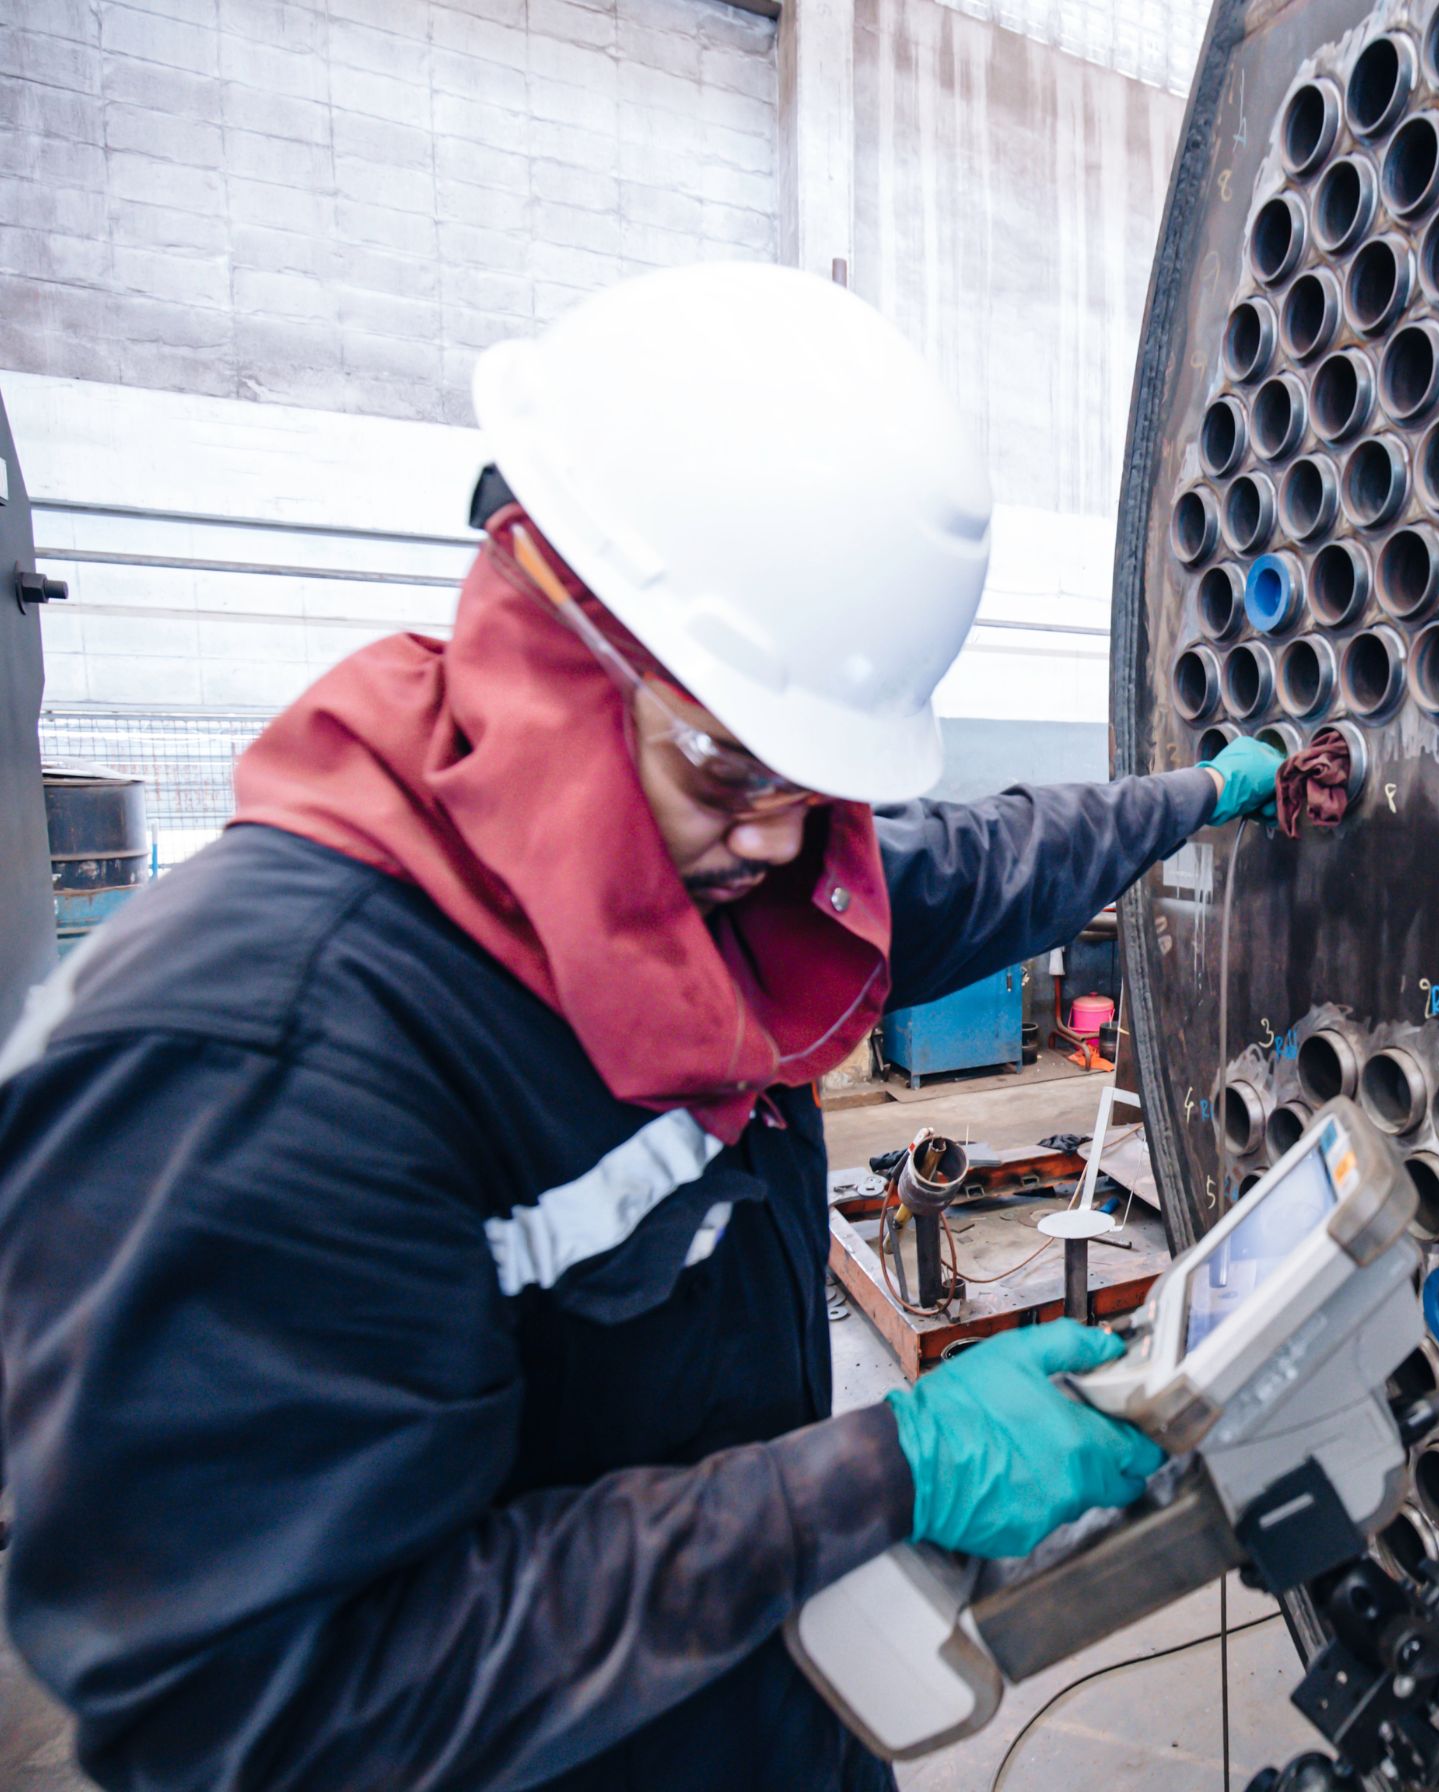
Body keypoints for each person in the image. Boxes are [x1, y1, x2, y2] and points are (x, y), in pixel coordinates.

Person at [0, 263, 1285, 1792]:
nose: (780, 841)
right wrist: (887, 1472)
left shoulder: (733, 861)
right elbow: (275, 1706)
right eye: (739, 768)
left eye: (820, 787)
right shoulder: (256, 1063)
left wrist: (1206, 793)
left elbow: (991, 857)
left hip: (759, 1696)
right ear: (547, 628)